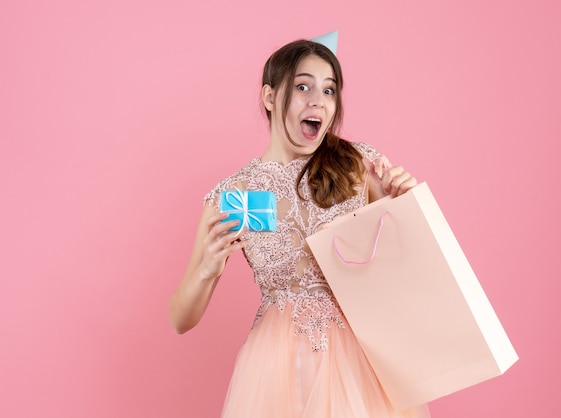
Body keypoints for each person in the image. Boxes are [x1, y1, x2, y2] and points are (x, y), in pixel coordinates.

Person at [169, 39, 430, 418]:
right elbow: (180, 319)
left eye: (329, 90)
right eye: (303, 86)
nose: (318, 101)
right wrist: (208, 270)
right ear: (270, 97)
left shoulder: (359, 166)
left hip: (362, 365)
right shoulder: (238, 194)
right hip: (277, 371)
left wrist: (404, 205)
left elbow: (408, 268)